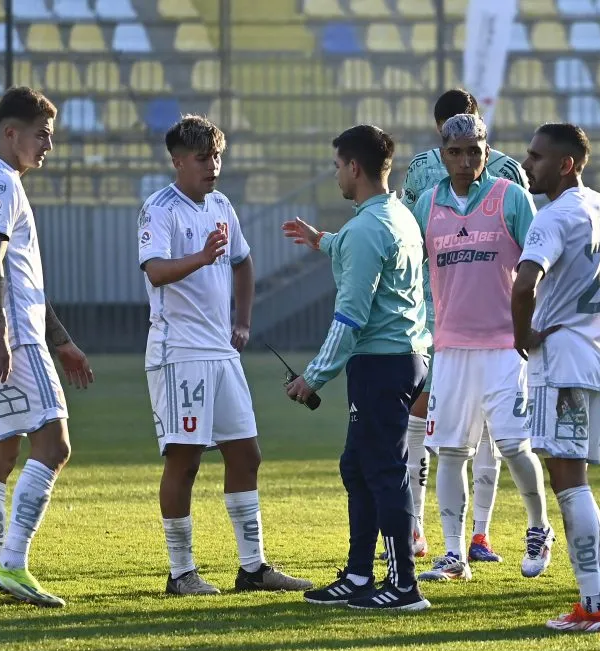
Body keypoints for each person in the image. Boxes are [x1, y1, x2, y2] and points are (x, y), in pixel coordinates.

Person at [138, 114, 311, 596]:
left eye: (217, 156)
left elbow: (243, 261)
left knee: (246, 454)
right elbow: (154, 271)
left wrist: (242, 321)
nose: (212, 166)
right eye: (202, 158)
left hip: (219, 352)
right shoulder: (159, 209)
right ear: (177, 161)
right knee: (185, 460)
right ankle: (181, 573)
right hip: (180, 353)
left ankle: (253, 568)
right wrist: (201, 256)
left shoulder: (221, 205)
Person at [512, 123, 600, 632]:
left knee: (570, 481)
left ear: (566, 164)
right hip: (594, 361)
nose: (528, 164)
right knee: (570, 477)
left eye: (536, 157)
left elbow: (524, 283)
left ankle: (596, 605)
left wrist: (521, 336)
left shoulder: (552, 217)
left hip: (560, 364)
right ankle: (594, 603)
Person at [283, 124, 431, 611]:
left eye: (337, 167)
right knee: (360, 466)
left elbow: (350, 316)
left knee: (383, 470)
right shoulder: (397, 215)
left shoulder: (367, 228)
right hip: (405, 357)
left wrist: (313, 377)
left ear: (354, 167)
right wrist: (322, 240)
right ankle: (359, 574)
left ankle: (403, 584)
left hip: (380, 364)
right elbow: (365, 254)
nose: (336, 176)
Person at [0, 86, 94, 608]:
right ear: (9, 133)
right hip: (12, 337)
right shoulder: (2, 184)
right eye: (41, 135)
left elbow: (19, 275)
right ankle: (13, 563)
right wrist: (4, 331)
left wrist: (62, 341)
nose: (48, 146)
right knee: (55, 445)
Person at [411, 114, 552, 583]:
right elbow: (405, 263)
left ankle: (538, 527)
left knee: (513, 445)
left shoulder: (511, 198)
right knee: (450, 452)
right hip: (450, 348)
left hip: (503, 347)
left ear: (486, 152)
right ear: (442, 154)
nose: (466, 160)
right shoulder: (427, 204)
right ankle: (454, 555)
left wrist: (532, 330)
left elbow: (539, 264)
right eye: (456, 152)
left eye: (475, 150)